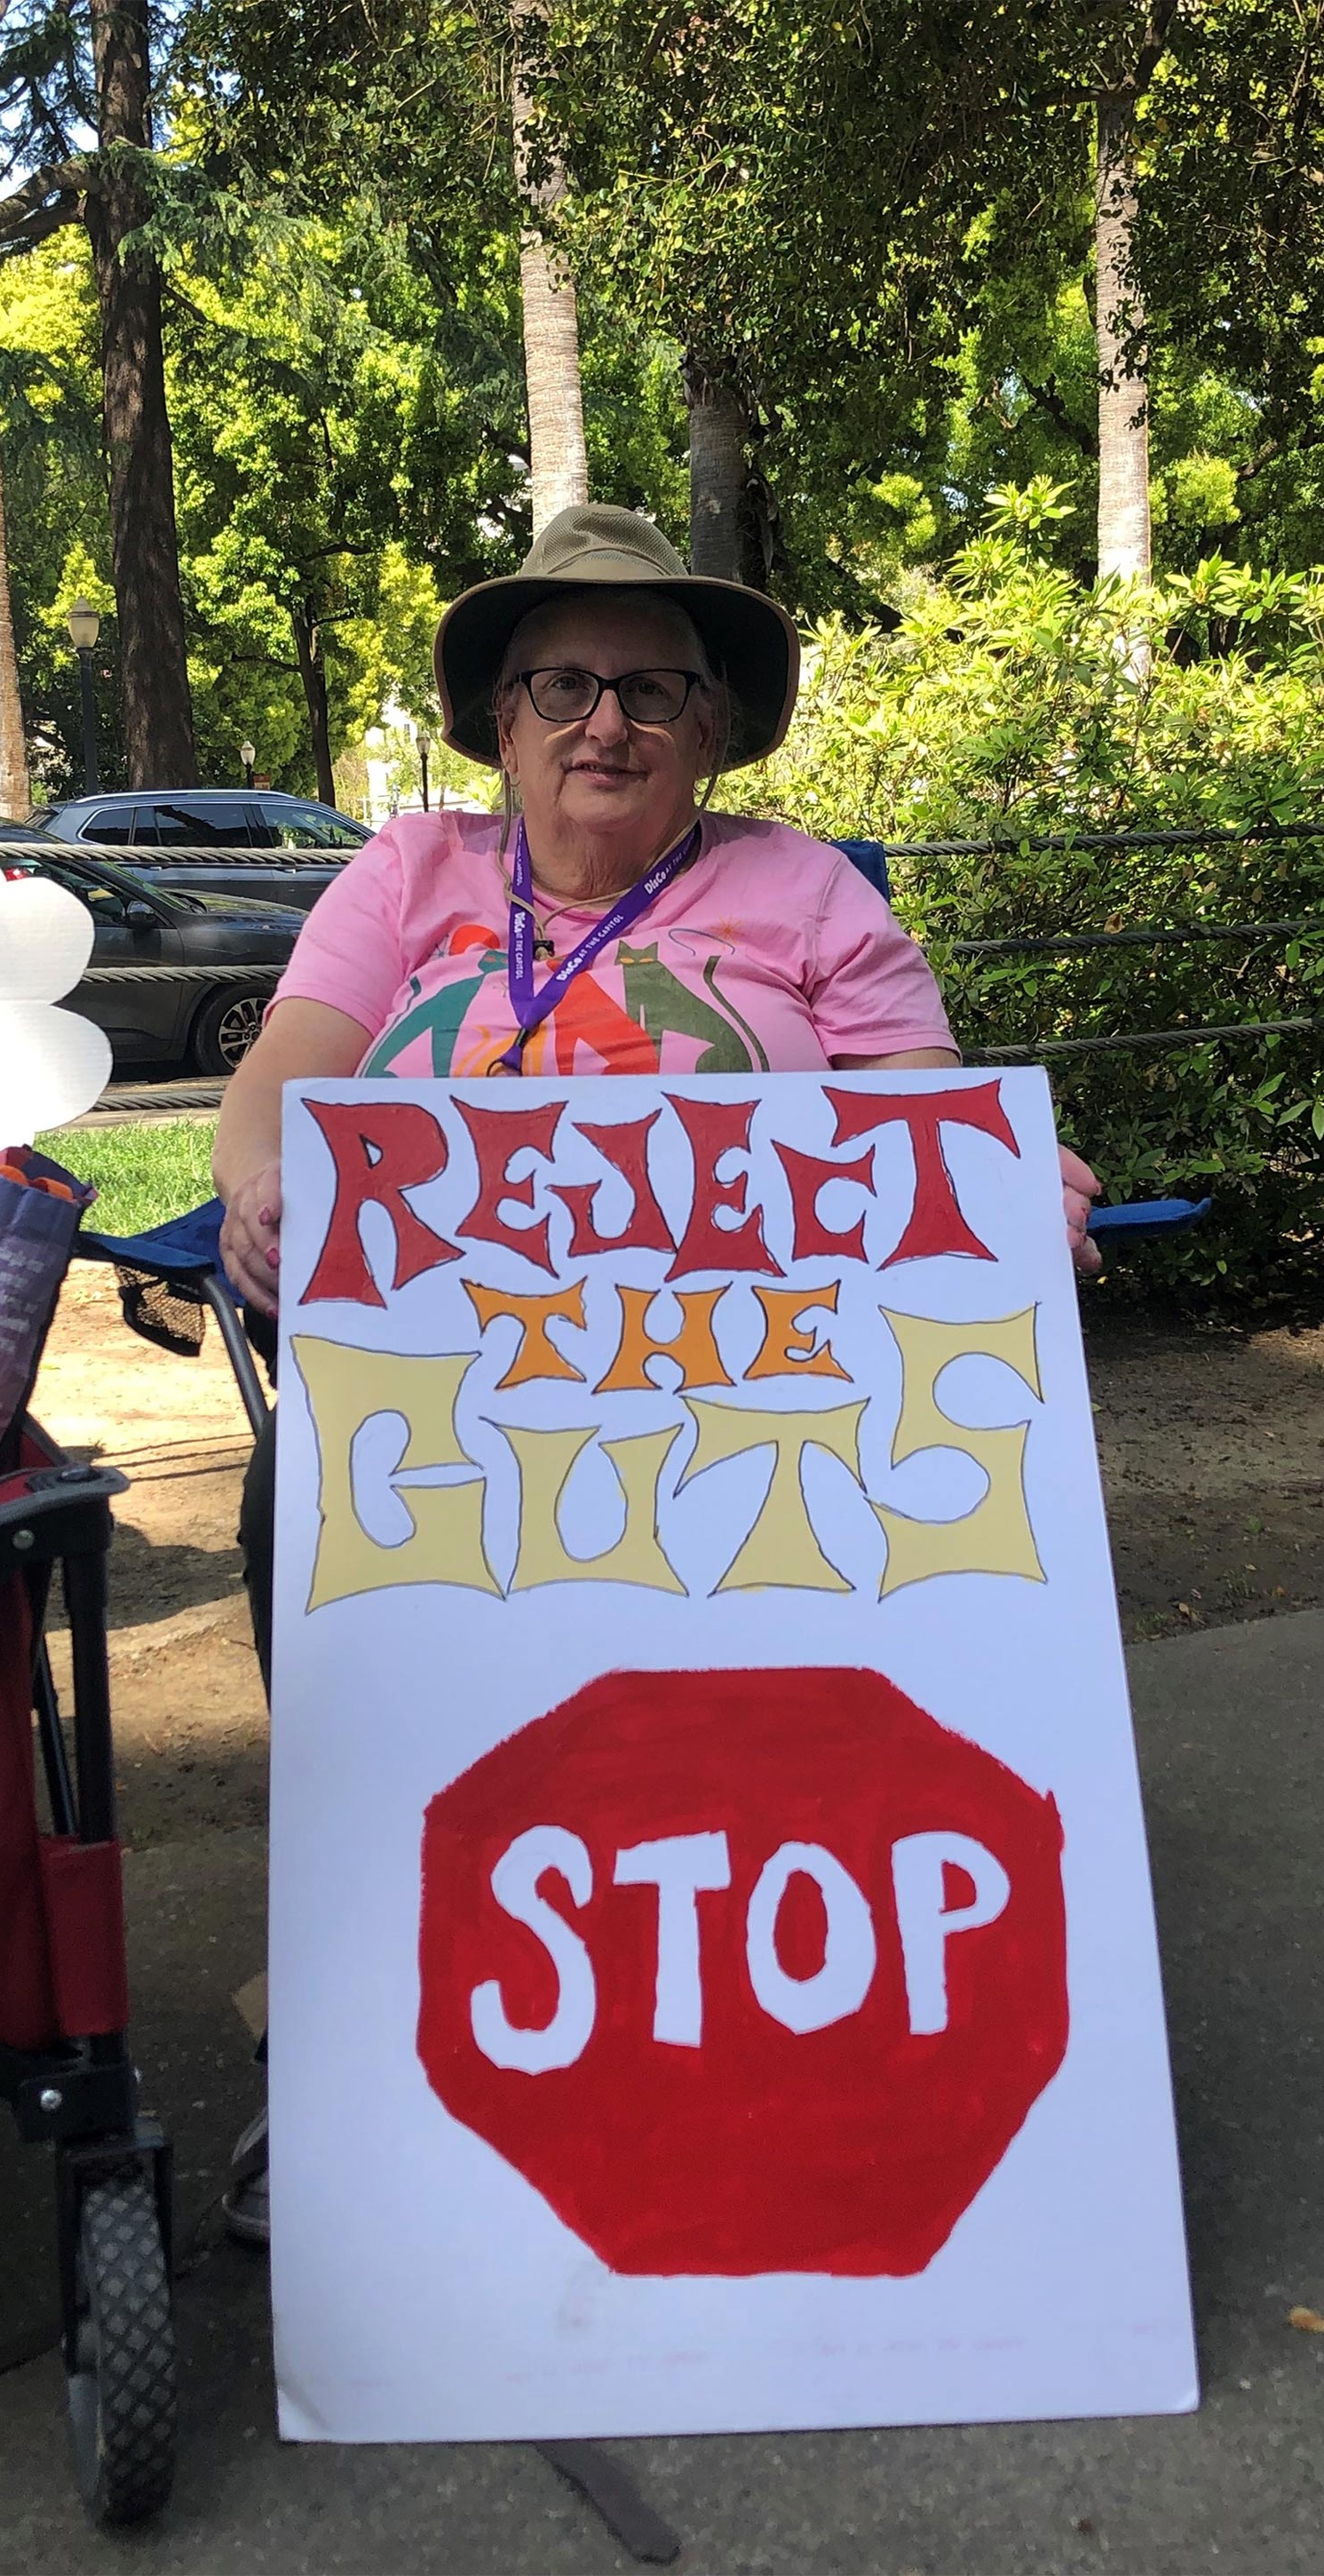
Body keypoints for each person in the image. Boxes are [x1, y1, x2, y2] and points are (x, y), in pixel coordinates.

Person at [210, 501, 1101, 2238]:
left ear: (712, 726)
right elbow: (287, 1067)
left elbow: (918, 1103)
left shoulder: (804, 888)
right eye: (557, 684)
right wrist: (259, 1178)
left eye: (646, 687)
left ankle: (781, 2001)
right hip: (449, 1378)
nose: (599, 723)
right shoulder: (407, 875)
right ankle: (359, 2040)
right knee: (294, 1505)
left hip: (750, 1374)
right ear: (499, 722)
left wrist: (1004, 1185)